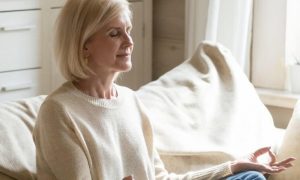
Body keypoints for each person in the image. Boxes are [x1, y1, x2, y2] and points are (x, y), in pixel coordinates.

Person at [33, 0, 295, 179]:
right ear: (83, 45)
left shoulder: (130, 102)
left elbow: (160, 177)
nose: (129, 42)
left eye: (129, 30)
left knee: (250, 177)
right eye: (115, 34)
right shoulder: (58, 111)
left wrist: (233, 165)